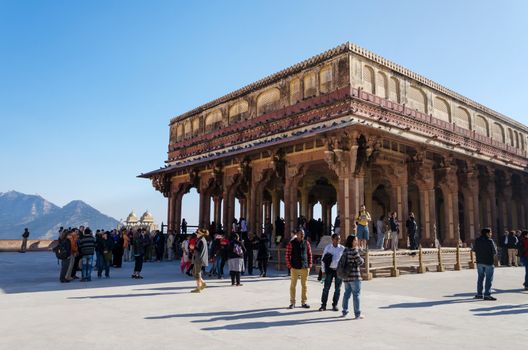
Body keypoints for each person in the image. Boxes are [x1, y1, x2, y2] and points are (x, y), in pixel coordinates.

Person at [338, 234, 364, 319]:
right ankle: (357, 314)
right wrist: (361, 258)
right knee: (356, 295)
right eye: (355, 240)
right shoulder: (354, 251)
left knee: (346, 294)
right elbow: (360, 262)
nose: (357, 242)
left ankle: (344, 311)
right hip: (354, 276)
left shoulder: (345, 250)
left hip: (346, 276)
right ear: (352, 241)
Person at [286, 228, 312, 309]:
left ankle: (304, 302)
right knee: (293, 285)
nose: (303, 235)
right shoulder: (291, 243)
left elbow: (309, 254)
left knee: (304, 285)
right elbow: (287, 254)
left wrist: (310, 264)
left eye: (303, 233)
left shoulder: (306, 243)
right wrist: (289, 265)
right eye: (301, 233)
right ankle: (292, 302)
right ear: (297, 234)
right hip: (294, 267)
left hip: (304, 267)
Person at [319, 233, 344, 311]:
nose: (338, 240)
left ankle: (335, 304)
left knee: (337, 289)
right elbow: (323, 260)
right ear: (332, 239)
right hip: (329, 270)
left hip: (338, 271)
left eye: (339, 239)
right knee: (326, 288)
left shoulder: (342, 248)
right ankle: (323, 305)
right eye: (336, 239)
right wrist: (323, 271)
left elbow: (345, 260)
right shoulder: (328, 248)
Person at [473, 227, 498, 300]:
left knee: (480, 278)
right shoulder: (490, 241)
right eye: (490, 232)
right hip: (488, 262)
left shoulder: (477, 240)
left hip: (479, 262)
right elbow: (495, 252)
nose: (491, 234)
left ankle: (479, 294)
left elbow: (474, 249)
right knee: (488, 278)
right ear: (487, 233)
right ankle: (487, 294)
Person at [191, 229, 209, 293]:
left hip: (199, 259)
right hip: (198, 258)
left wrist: (193, 247)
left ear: (201, 234)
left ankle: (198, 288)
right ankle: (203, 283)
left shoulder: (201, 240)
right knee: (194, 272)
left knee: (197, 273)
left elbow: (199, 250)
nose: (197, 234)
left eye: (198, 233)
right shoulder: (201, 240)